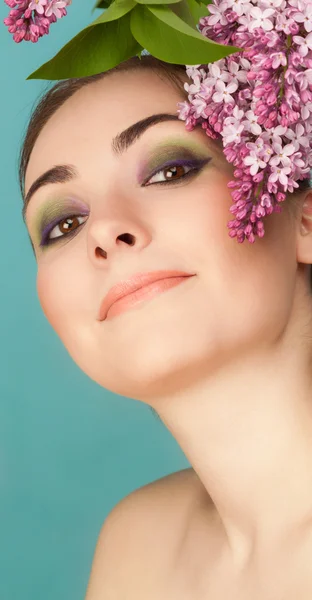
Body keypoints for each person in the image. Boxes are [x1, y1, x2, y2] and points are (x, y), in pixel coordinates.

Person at [19, 53, 312, 598]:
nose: (103, 231)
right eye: (63, 223)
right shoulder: (136, 548)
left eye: (169, 171)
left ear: (305, 219)